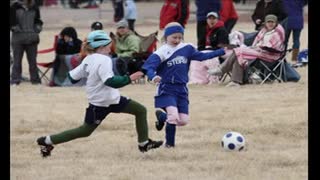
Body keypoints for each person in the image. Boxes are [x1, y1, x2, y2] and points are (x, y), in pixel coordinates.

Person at [36, 30, 163, 157]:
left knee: (140, 110)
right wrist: (129, 78)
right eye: (109, 44)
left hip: (112, 99)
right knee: (85, 131)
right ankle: (46, 141)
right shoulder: (104, 60)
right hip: (101, 103)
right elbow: (110, 81)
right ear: (102, 46)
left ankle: (144, 143)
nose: (111, 47)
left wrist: (90, 73)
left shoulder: (88, 59)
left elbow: (72, 77)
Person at [141, 22, 225, 148]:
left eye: (180, 37)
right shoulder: (161, 52)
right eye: (174, 37)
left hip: (182, 89)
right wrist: (153, 77)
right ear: (166, 37)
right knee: (174, 117)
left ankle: (163, 117)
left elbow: (202, 56)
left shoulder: (187, 48)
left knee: (183, 121)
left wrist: (221, 51)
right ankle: (169, 145)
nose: (177, 40)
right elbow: (148, 67)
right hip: (167, 88)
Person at [208, 14, 286, 87]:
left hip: (270, 56)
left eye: (272, 22)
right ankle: (235, 81)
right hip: (260, 53)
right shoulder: (263, 31)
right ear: (265, 23)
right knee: (239, 54)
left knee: (239, 51)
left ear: (276, 23)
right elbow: (256, 43)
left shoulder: (277, 33)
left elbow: (272, 47)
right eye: (268, 22)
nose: (270, 24)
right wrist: (255, 47)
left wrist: (258, 48)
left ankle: (222, 70)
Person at [10, 0, 43, 85]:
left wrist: (38, 28)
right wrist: (14, 27)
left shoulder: (35, 7)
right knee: (17, 62)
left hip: (32, 39)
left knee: (33, 61)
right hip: (18, 39)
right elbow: (11, 22)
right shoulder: (14, 7)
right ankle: (15, 80)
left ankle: (35, 80)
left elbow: (38, 20)